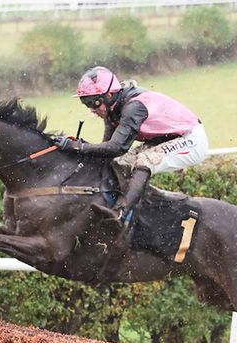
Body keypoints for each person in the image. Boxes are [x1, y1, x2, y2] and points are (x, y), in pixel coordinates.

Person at [52, 66, 209, 226]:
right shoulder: (112, 108)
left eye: (94, 103)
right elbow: (109, 152)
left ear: (109, 95)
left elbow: (116, 147)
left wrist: (78, 147)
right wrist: (79, 150)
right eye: (87, 104)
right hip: (166, 139)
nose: (93, 110)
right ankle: (140, 203)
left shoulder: (134, 107)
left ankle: (121, 213)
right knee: (120, 163)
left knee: (145, 160)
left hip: (192, 139)